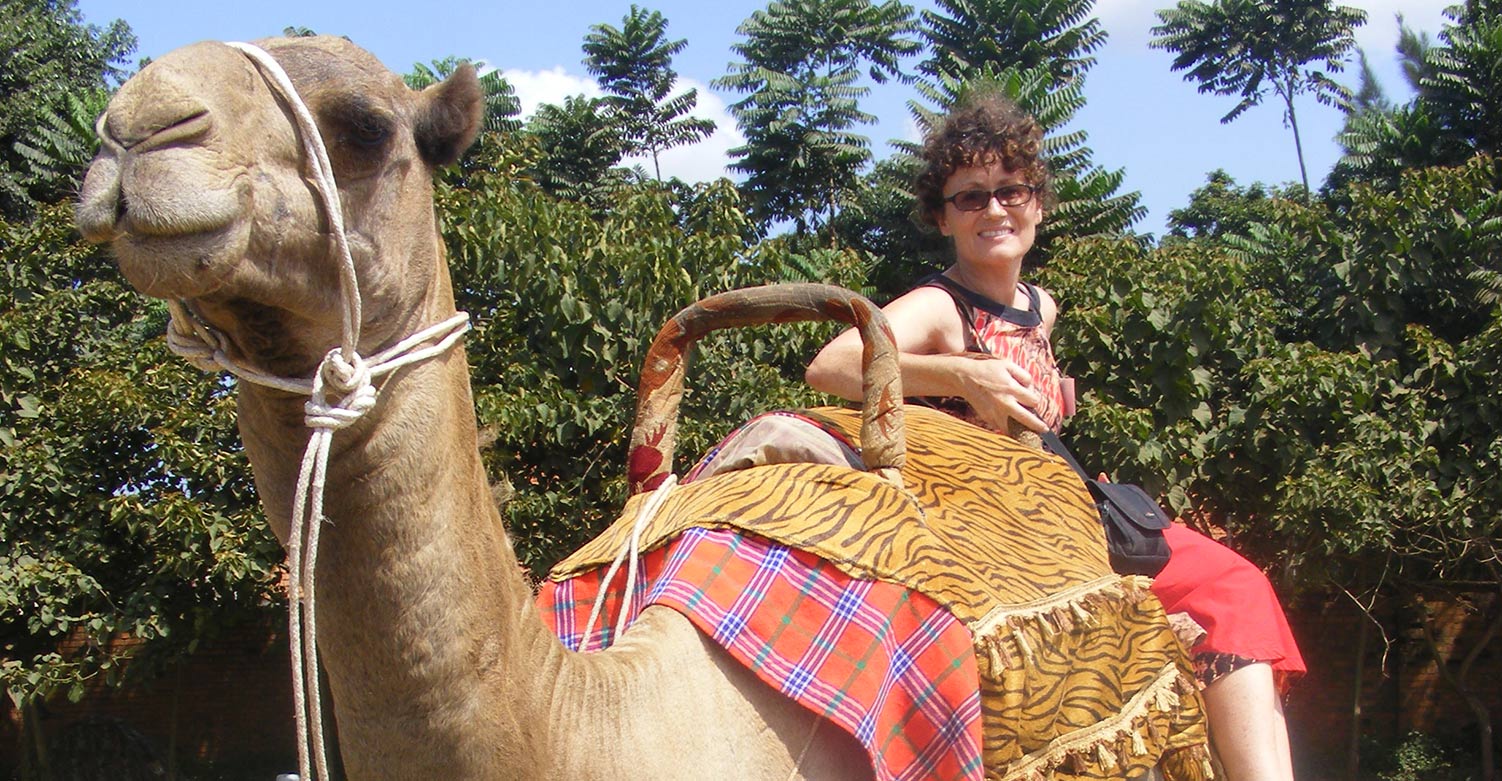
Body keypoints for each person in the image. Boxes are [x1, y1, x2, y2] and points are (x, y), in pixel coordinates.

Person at [804, 92, 1305, 781]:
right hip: (997, 520)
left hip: (1060, 498)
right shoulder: (938, 305)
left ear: (1038, 204)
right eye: (970, 197)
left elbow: (1024, 392)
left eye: (1011, 191)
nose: (994, 209)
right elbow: (829, 364)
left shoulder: (1041, 306)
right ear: (943, 216)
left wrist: (1043, 394)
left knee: (1234, 582)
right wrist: (956, 371)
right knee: (1231, 587)